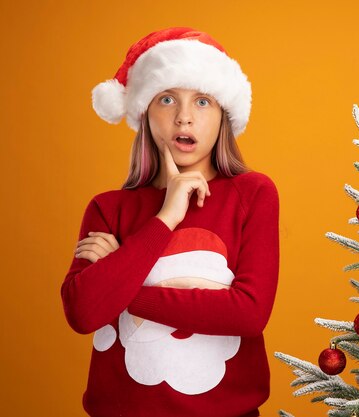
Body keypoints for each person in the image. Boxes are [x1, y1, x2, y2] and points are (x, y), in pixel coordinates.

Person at [61, 27, 280, 417]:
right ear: (145, 113)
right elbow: (82, 313)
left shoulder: (253, 194)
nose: (184, 117)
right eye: (167, 99)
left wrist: (121, 284)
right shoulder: (108, 208)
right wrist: (166, 217)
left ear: (223, 116)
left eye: (202, 102)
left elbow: (247, 313)